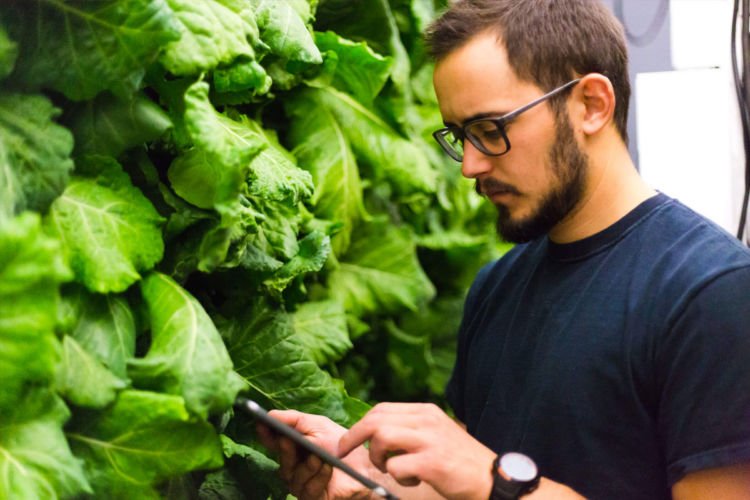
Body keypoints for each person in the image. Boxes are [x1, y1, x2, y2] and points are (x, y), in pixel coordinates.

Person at [258, 0, 750, 498]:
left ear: (591, 105)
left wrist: (490, 477)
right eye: (459, 136)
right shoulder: (497, 286)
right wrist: (367, 481)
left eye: (491, 130)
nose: (470, 165)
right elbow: (469, 486)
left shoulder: (712, 293)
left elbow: (485, 481)